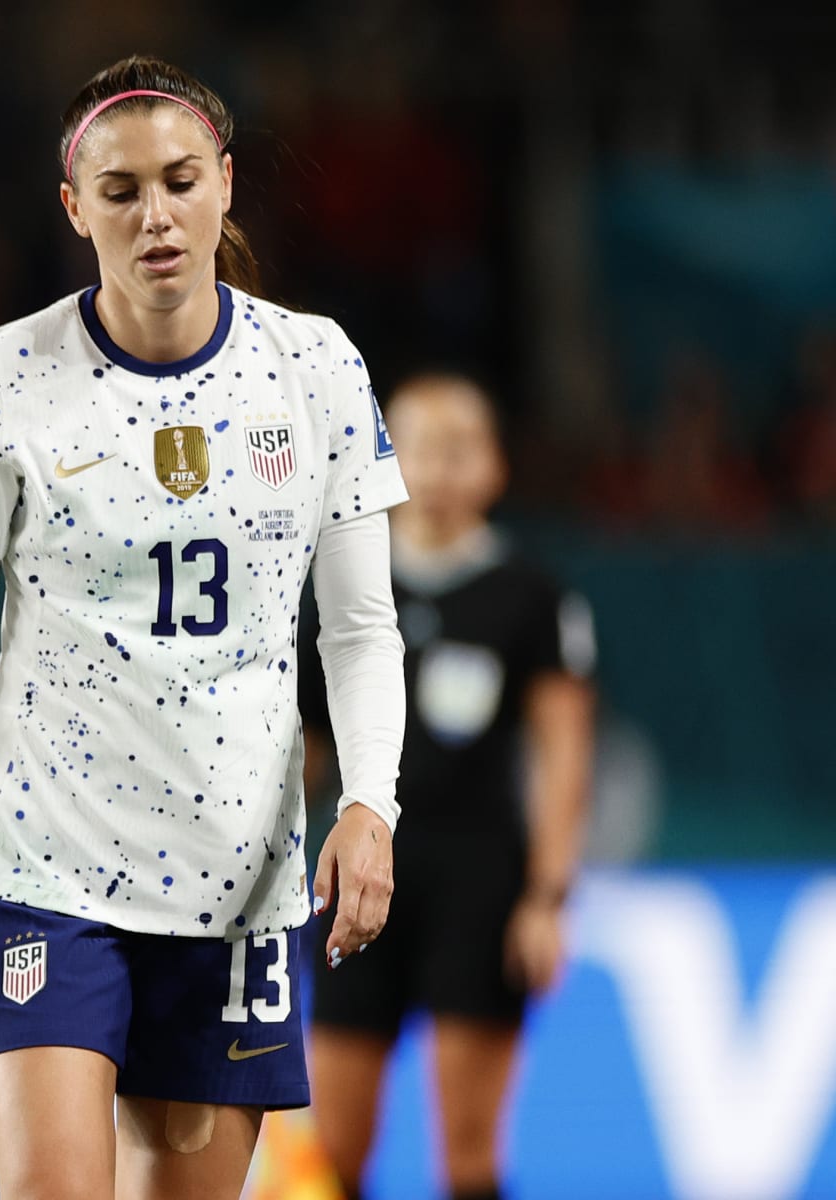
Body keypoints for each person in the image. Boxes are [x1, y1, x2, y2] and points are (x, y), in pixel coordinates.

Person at [0, 55, 409, 1199]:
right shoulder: (1, 378)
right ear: (75, 209)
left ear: (226, 185)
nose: (154, 214)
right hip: (45, 870)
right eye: (120, 191)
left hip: (236, 883)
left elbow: (359, 629)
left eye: (179, 180)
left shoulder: (313, 365)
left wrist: (370, 799)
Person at [302, 373, 596, 1200]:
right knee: (330, 1159)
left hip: (480, 883)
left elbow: (564, 755)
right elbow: (303, 752)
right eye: (416, 447)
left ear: (495, 467)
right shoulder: (342, 588)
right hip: (355, 880)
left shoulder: (532, 597)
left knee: (468, 1161)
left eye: (458, 448)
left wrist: (548, 896)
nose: (435, 468)